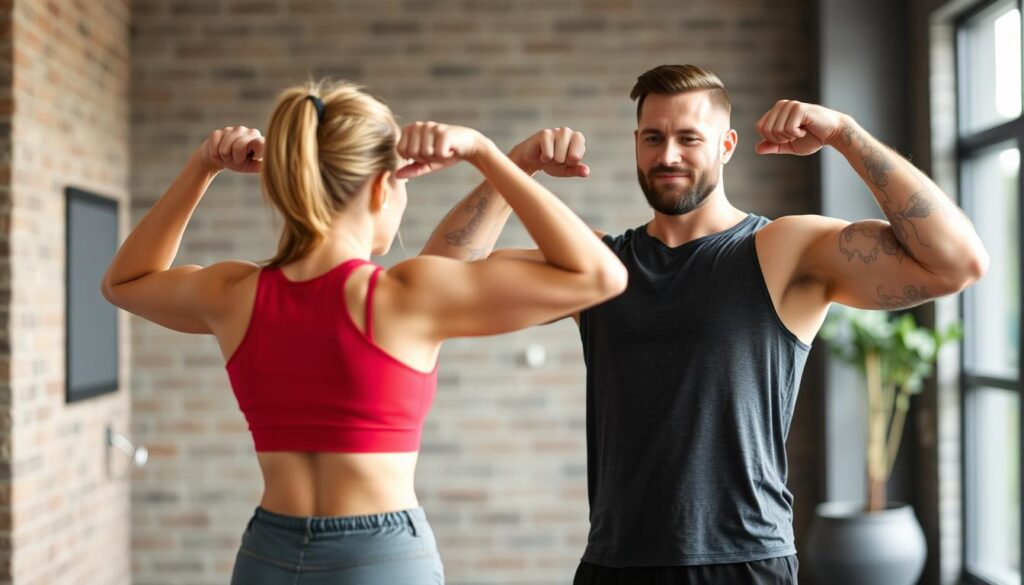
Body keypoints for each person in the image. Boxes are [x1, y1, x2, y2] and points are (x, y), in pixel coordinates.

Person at [423, 64, 989, 584]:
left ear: (726, 146)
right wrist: (512, 166)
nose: (668, 154)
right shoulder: (594, 265)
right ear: (636, 145)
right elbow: (430, 286)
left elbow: (957, 263)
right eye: (653, 137)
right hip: (615, 562)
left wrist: (845, 133)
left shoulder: (783, 250)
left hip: (744, 562)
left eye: (689, 137)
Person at [101, 79, 627, 585]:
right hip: (378, 558)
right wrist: (485, 153)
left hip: (267, 552)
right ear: (381, 187)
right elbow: (602, 274)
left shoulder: (233, 293)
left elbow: (124, 282)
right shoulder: (405, 296)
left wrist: (203, 166)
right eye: (401, 184)